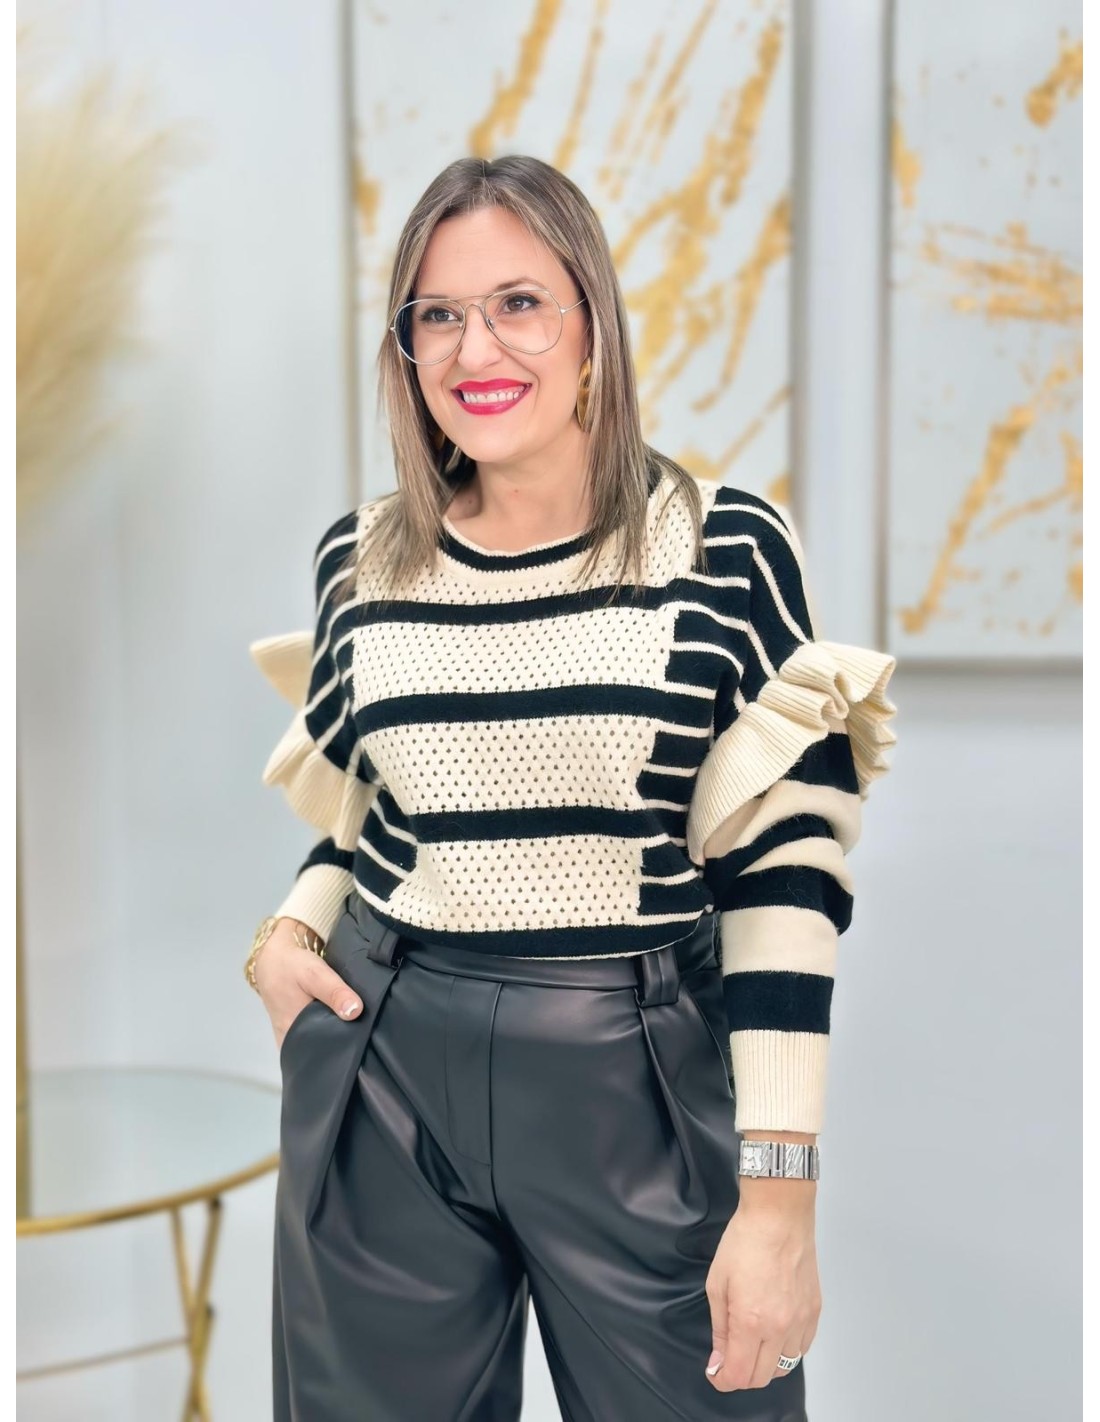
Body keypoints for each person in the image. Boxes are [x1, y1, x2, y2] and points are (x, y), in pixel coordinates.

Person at [245, 154, 898, 1422]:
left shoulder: (721, 547)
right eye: (436, 314)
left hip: (630, 1076)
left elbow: (782, 881)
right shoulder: (361, 559)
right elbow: (368, 814)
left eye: (518, 304)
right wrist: (287, 935)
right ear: (405, 347)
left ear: (591, 322)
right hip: (383, 1065)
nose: (474, 348)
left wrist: (777, 1202)